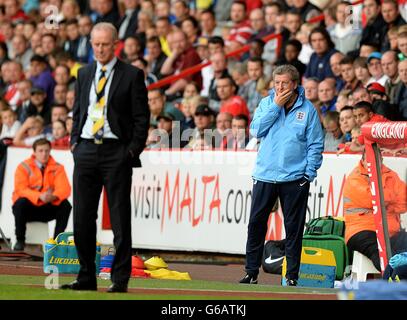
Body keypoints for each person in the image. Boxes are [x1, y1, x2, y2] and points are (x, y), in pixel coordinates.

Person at [60, 23, 150, 293]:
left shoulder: (132, 75)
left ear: (115, 45)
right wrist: (75, 141)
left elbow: (141, 119)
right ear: (91, 44)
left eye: (105, 44)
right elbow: (78, 111)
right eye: (96, 44)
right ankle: (86, 276)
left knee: (120, 218)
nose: (100, 49)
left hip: (116, 151)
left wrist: (131, 150)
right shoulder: (84, 72)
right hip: (86, 149)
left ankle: (119, 279)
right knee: (82, 217)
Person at [240, 65, 324, 286]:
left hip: (295, 178)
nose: (279, 87)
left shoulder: (308, 110)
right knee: (256, 224)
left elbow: (315, 144)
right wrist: (275, 107)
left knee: (294, 229)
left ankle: (292, 276)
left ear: (295, 84)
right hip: (265, 175)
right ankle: (251, 272)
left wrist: (308, 173)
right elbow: (256, 131)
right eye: (276, 83)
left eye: (284, 83)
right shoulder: (267, 103)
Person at [343, 151, 407, 271]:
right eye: (369, 160)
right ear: (363, 160)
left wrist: (387, 202)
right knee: (381, 253)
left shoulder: (391, 175)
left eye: (376, 160)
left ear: (381, 160)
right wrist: (391, 200)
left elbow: (403, 203)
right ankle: (392, 278)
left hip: (390, 232)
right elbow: (373, 199)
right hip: (361, 230)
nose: (373, 164)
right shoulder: (355, 177)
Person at [12, 138, 72, 251]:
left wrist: (53, 196)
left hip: (47, 207)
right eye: (40, 151)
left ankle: (57, 243)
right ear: (34, 152)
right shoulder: (23, 166)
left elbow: (65, 189)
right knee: (20, 203)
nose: (44, 154)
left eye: (46, 151)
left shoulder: (58, 167)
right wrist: (39, 196)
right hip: (29, 209)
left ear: (50, 151)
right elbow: (20, 189)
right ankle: (20, 240)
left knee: (66, 205)